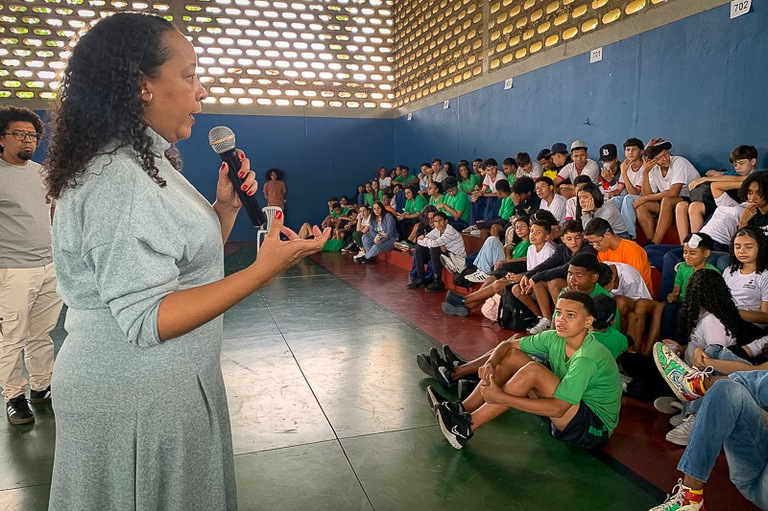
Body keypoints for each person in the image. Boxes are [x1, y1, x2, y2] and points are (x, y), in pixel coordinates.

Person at [43, 13, 330, 509]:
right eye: (190, 74)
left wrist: (224, 209)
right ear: (141, 85)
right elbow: (148, 316)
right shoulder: (117, 177)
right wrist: (262, 271)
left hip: (165, 383)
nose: (202, 90)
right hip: (134, 394)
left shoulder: (143, 161)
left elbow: (177, 268)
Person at [429, 291, 621, 450]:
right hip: (568, 409)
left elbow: (559, 408)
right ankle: (463, 409)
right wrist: (491, 363)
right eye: (559, 313)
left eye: (571, 315)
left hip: (592, 429)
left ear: (588, 322)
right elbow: (508, 345)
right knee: (514, 357)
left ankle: (466, 427)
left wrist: (501, 398)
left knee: (533, 371)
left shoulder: (587, 357)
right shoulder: (554, 337)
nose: (561, 320)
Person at [0, 105, 63, 425]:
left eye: (32, 134)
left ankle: (41, 386)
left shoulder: (41, 173)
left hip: (49, 266)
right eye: (19, 133)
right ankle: (14, 395)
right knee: (12, 335)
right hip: (12, 270)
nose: (28, 139)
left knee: (42, 332)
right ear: (1, 138)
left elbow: (51, 214)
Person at [651, 344, 768, 511]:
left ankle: (697, 392)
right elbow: (757, 367)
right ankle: (691, 499)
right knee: (725, 389)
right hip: (756, 474)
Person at [676, 145, 758, 243]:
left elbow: (743, 180)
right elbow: (712, 173)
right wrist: (718, 174)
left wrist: (706, 179)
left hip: (736, 208)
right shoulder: (734, 174)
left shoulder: (757, 178)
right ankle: (689, 243)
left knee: (698, 208)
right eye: (735, 164)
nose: (738, 167)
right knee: (688, 206)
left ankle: (699, 244)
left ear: (752, 162)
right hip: (724, 204)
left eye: (741, 163)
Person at [634, 138, 700, 245]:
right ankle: (650, 240)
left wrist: (645, 198)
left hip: (690, 200)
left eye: (666, 154)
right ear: (652, 161)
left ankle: (656, 242)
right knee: (642, 206)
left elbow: (674, 192)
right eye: (659, 158)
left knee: (666, 200)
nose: (665, 159)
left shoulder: (679, 161)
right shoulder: (653, 169)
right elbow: (647, 194)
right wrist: (645, 174)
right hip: (671, 203)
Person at [584, 218, 654, 296]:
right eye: (592, 243)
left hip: (638, 295)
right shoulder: (602, 251)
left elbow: (634, 282)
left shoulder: (632, 251)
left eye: (596, 242)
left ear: (607, 235)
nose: (594, 246)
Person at [411, 211, 466, 293]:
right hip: (446, 254)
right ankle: (421, 278)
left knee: (435, 248)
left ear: (446, 221)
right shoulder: (437, 230)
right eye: (436, 221)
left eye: (440, 221)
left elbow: (433, 243)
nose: (437, 223)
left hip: (456, 258)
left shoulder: (450, 231)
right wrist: (427, 240)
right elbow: (419, 241)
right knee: (419, 248)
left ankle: (438, 281)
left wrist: (425, 239)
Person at [612, 137, 646, 240]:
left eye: (634, 149)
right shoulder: (626, 166)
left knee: (627, 198)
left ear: (641, 151)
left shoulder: (644, 167)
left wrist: (623, 172)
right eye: (627, 150)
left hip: (644, 199)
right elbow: (619, 189)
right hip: (631, 199)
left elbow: (634, 192)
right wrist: (611, 193)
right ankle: (615, 232)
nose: (630, 152)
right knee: (614, 200)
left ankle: (628, 235)